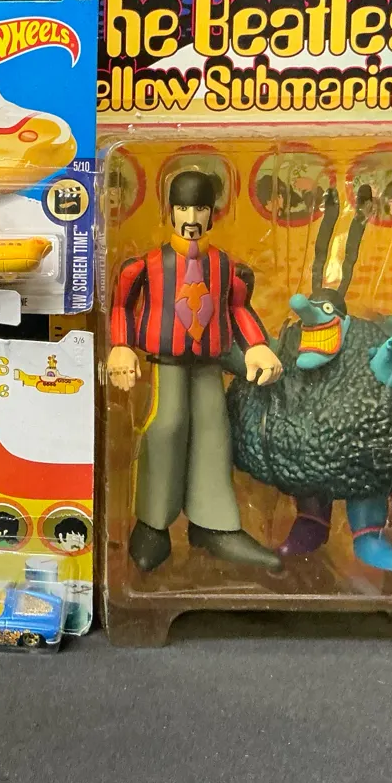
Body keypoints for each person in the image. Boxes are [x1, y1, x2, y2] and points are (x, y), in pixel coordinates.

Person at [107, 169, 284, 572]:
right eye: (183, 208)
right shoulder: (146, 265)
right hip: (165, 363)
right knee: (166, 426)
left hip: (209, 363)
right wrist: (121, 346)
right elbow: (121, 306)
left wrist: (256, 345)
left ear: (212, 213)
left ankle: (214, 525)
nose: (191, 217)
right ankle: (152, 524)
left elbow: (238, 309)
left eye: (200, 208)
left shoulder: (226, 267)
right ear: (169, 211)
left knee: (213, 430)